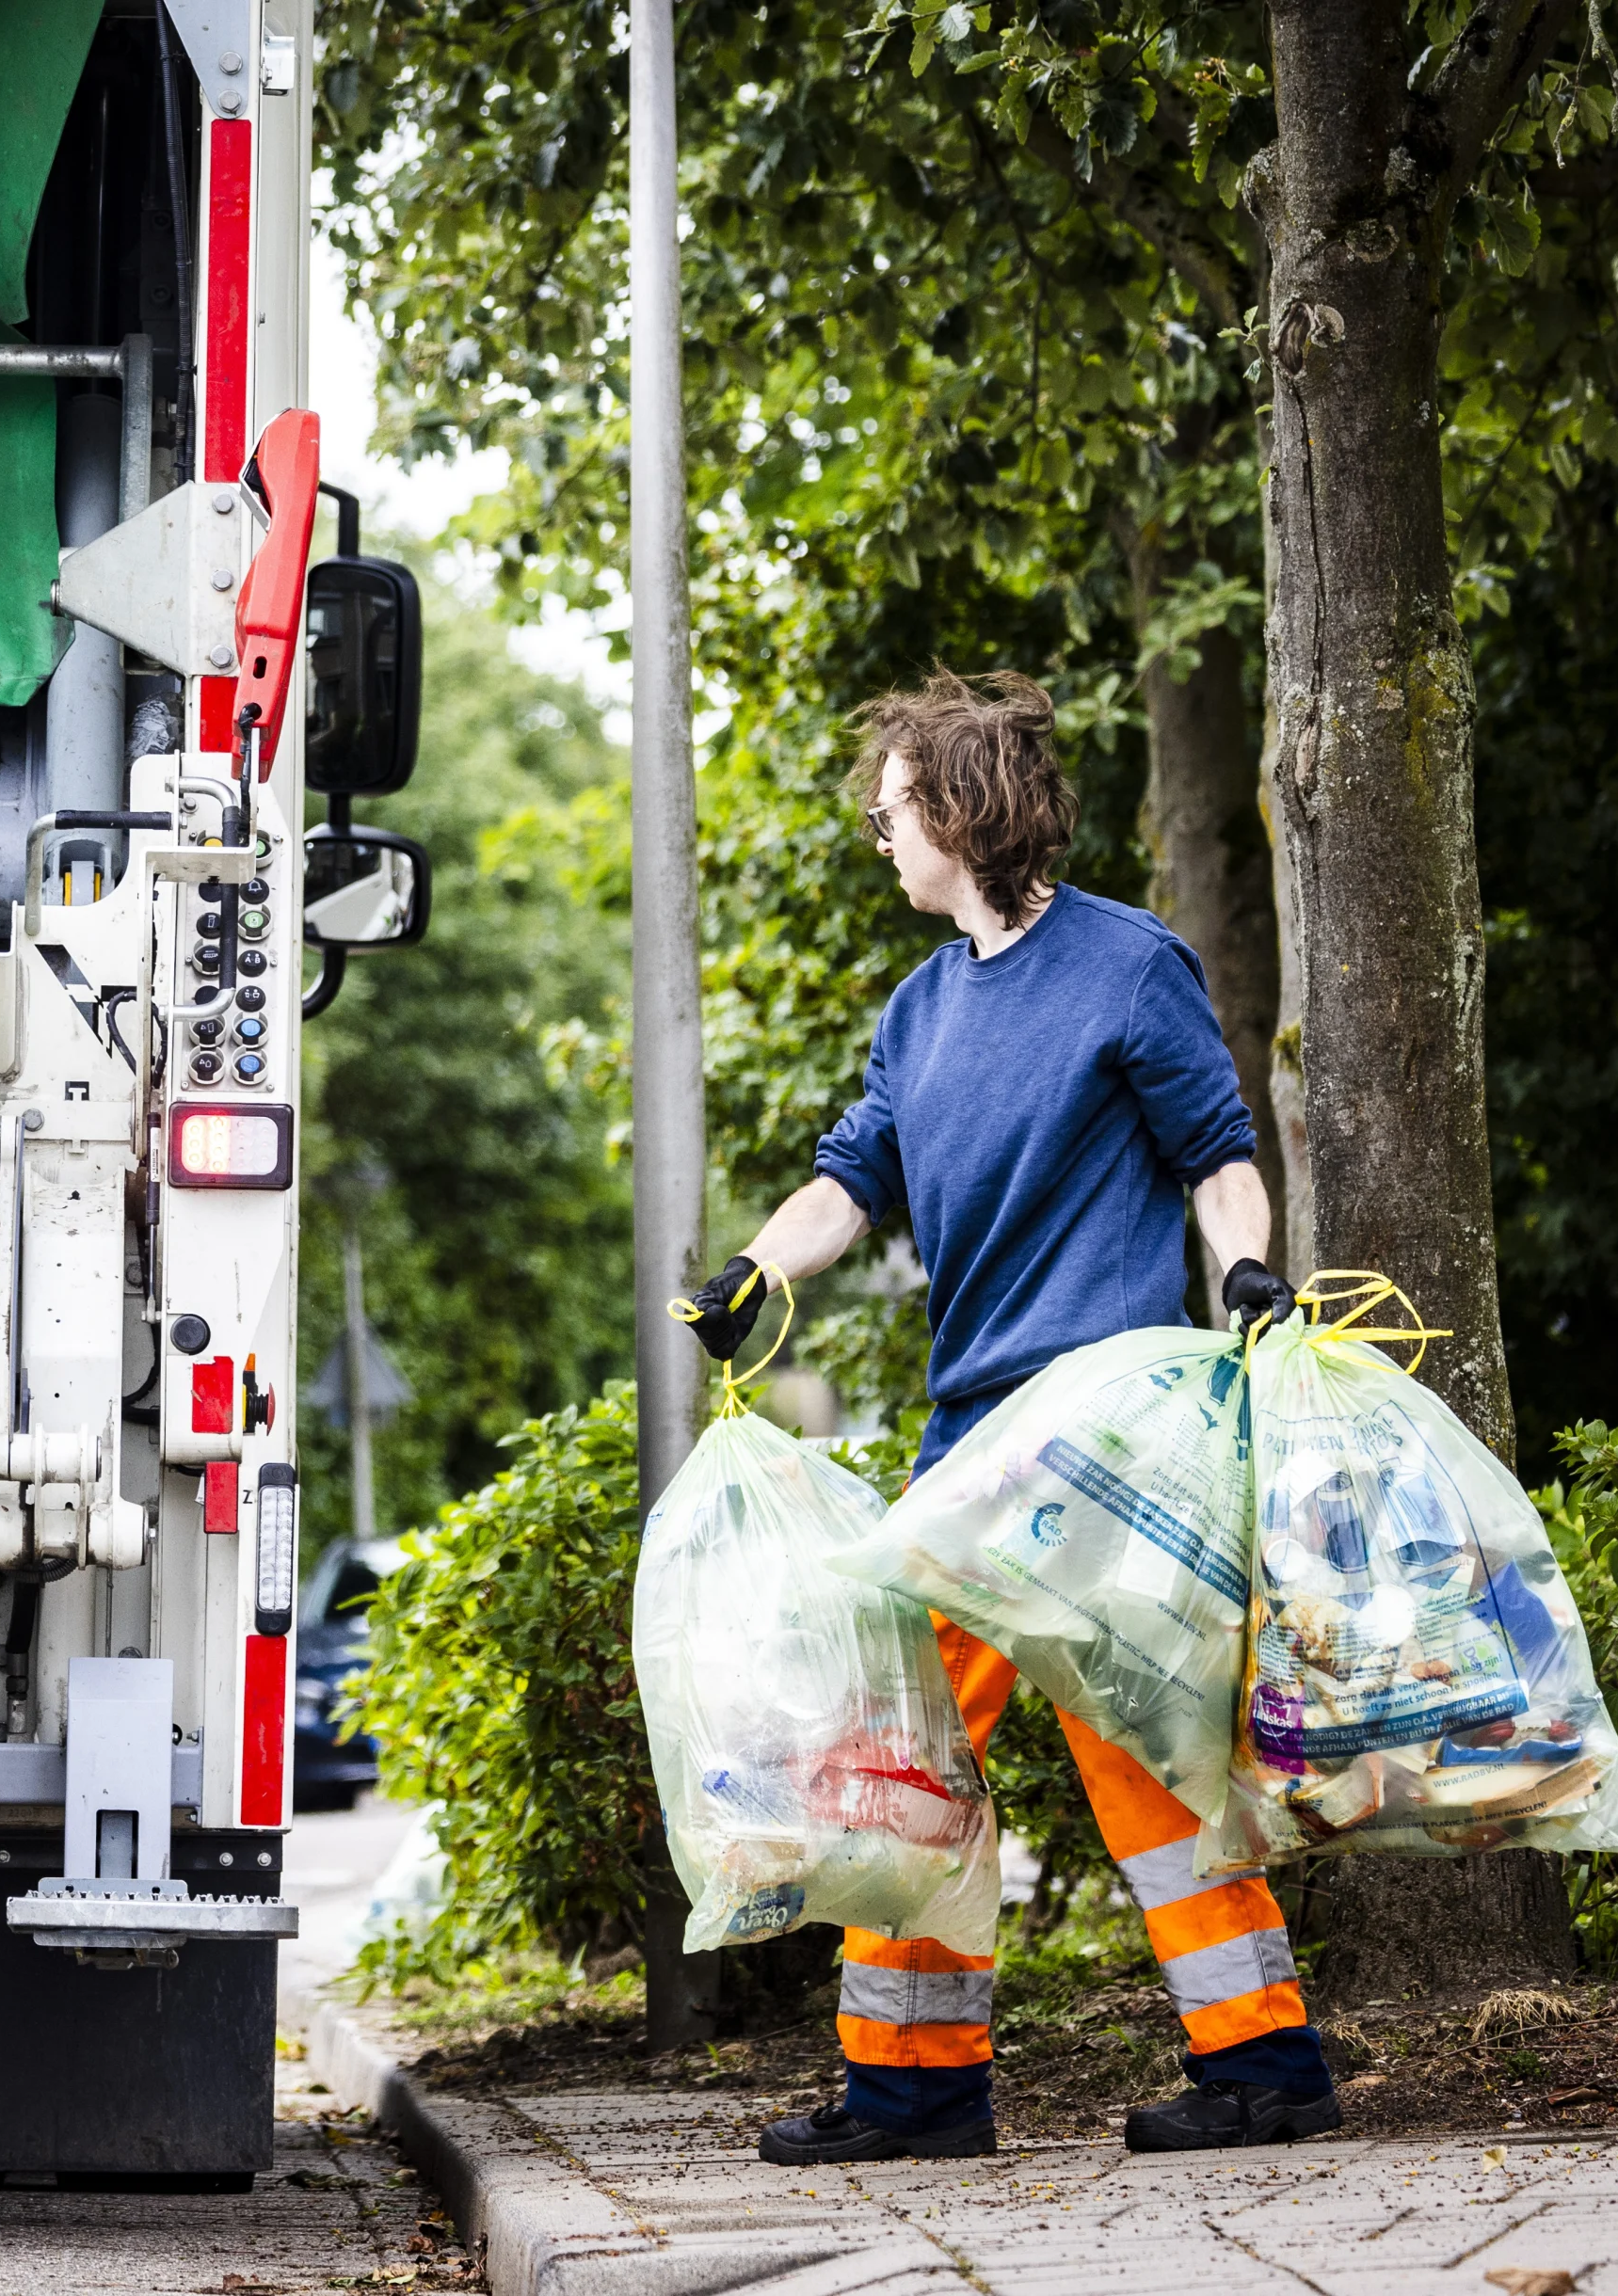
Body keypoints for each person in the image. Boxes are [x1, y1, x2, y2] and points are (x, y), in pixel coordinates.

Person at [681, 669, 1333, 2165]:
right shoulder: (919, 1015)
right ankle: (927, 2092)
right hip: (971, 1443)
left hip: (1104, 1432)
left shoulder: (1127, 966)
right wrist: (755, 1271)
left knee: (1138, 1756)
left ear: (958, 813)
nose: (875, 829)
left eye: (890, 807)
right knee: (911, 1759)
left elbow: (1216, 1151)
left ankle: (1255, 2068)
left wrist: (1247, 1271)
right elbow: (853, 1180)